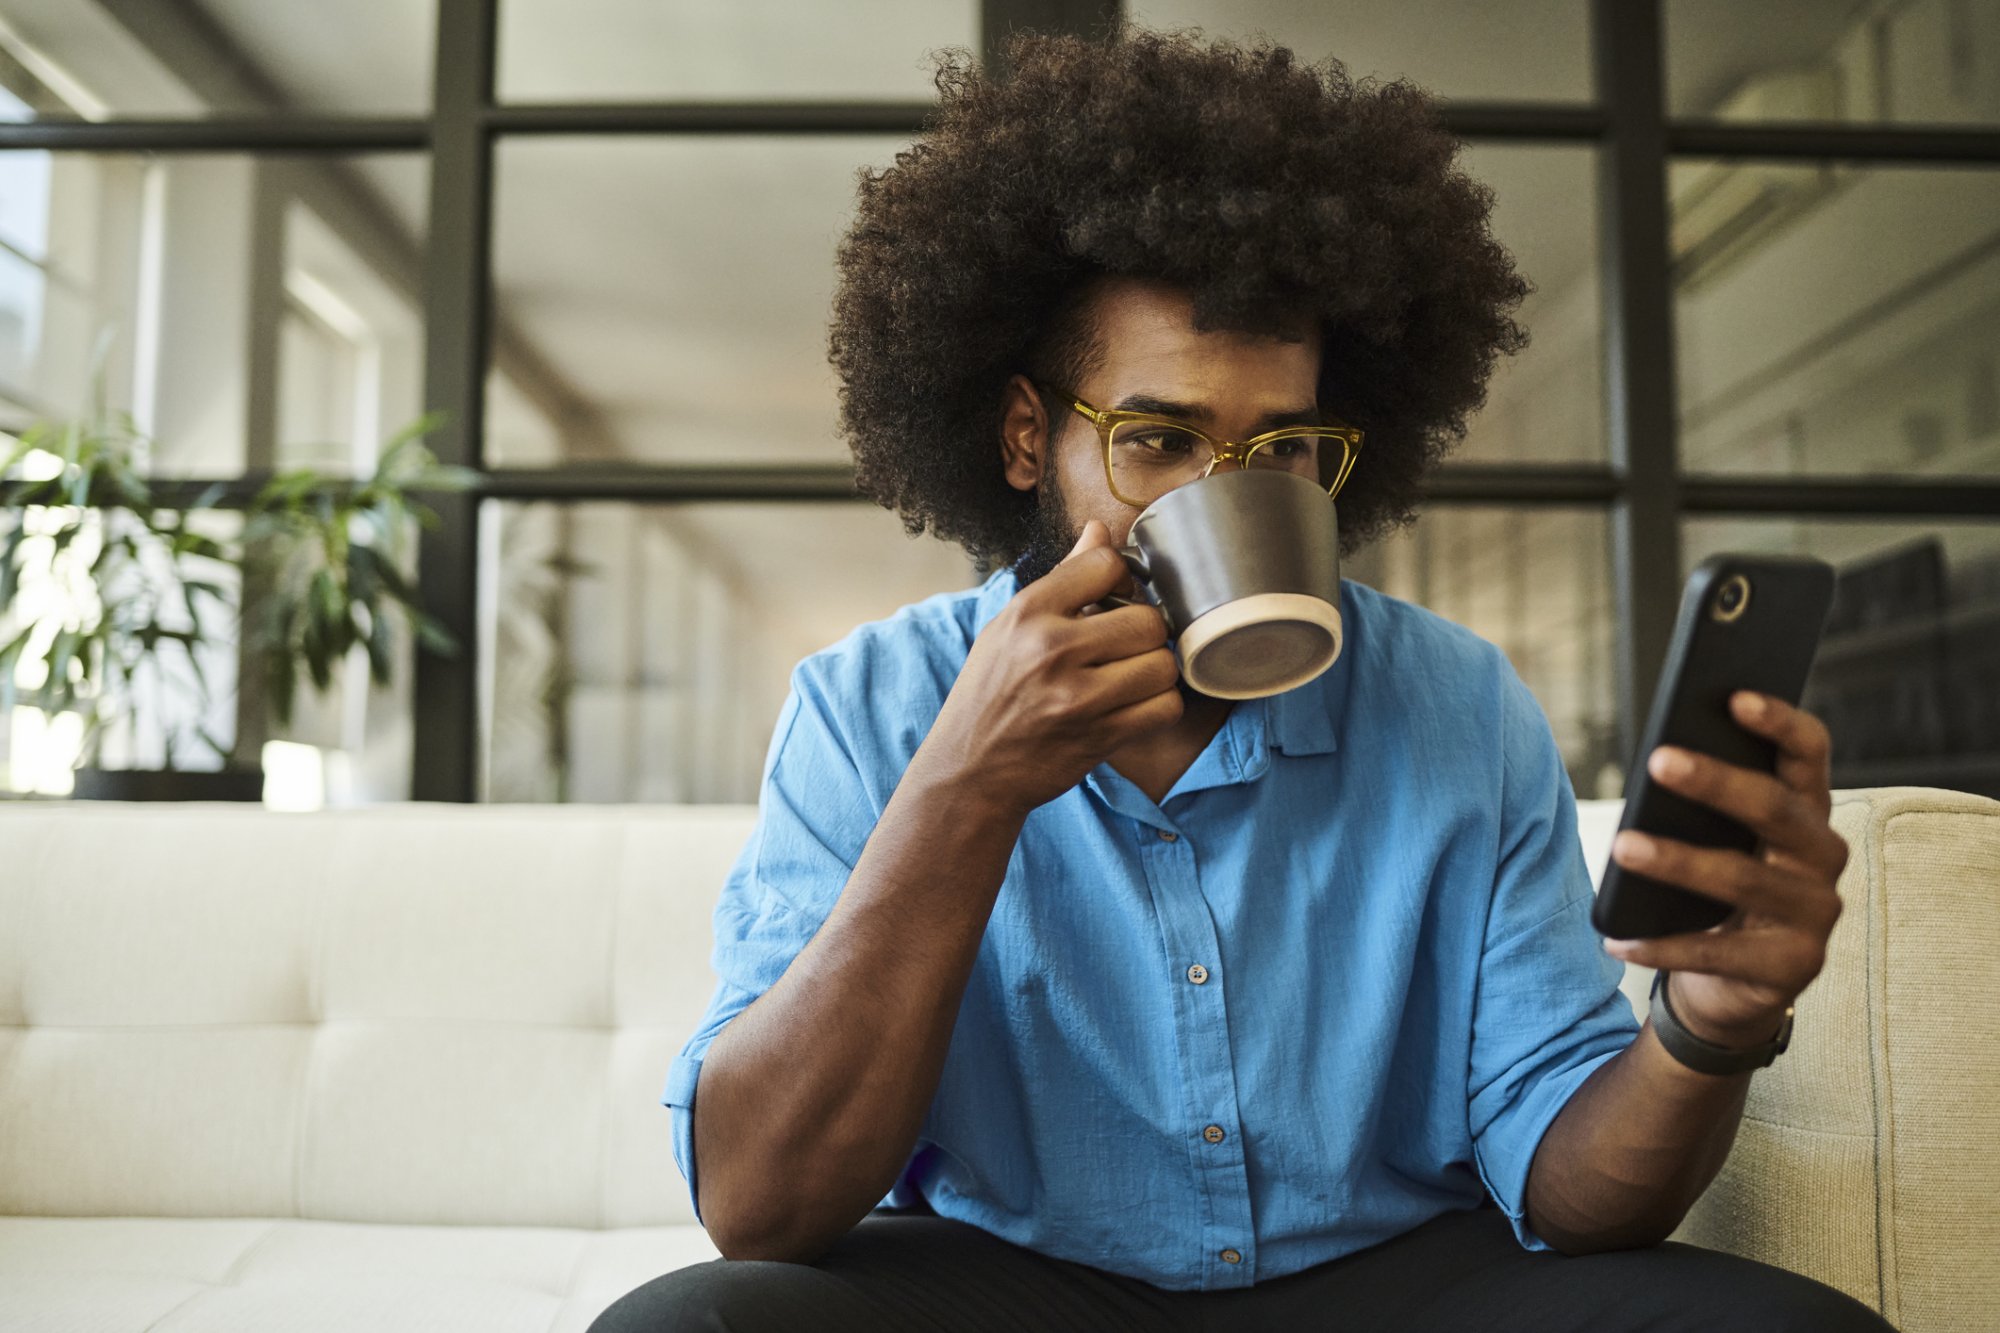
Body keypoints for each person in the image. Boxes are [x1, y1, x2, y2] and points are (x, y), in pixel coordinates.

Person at [590, 29, 1891, 1333]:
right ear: (1027, 435)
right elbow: (761, 1206)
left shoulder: (1458, 704)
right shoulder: (871, 705)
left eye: (1282, 448)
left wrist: (1709, 1023)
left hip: (1397, 1281)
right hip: (1019, 1288)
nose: (1226, 499)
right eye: (1157, 439)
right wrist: (962, 792)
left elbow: (1577, 1195)